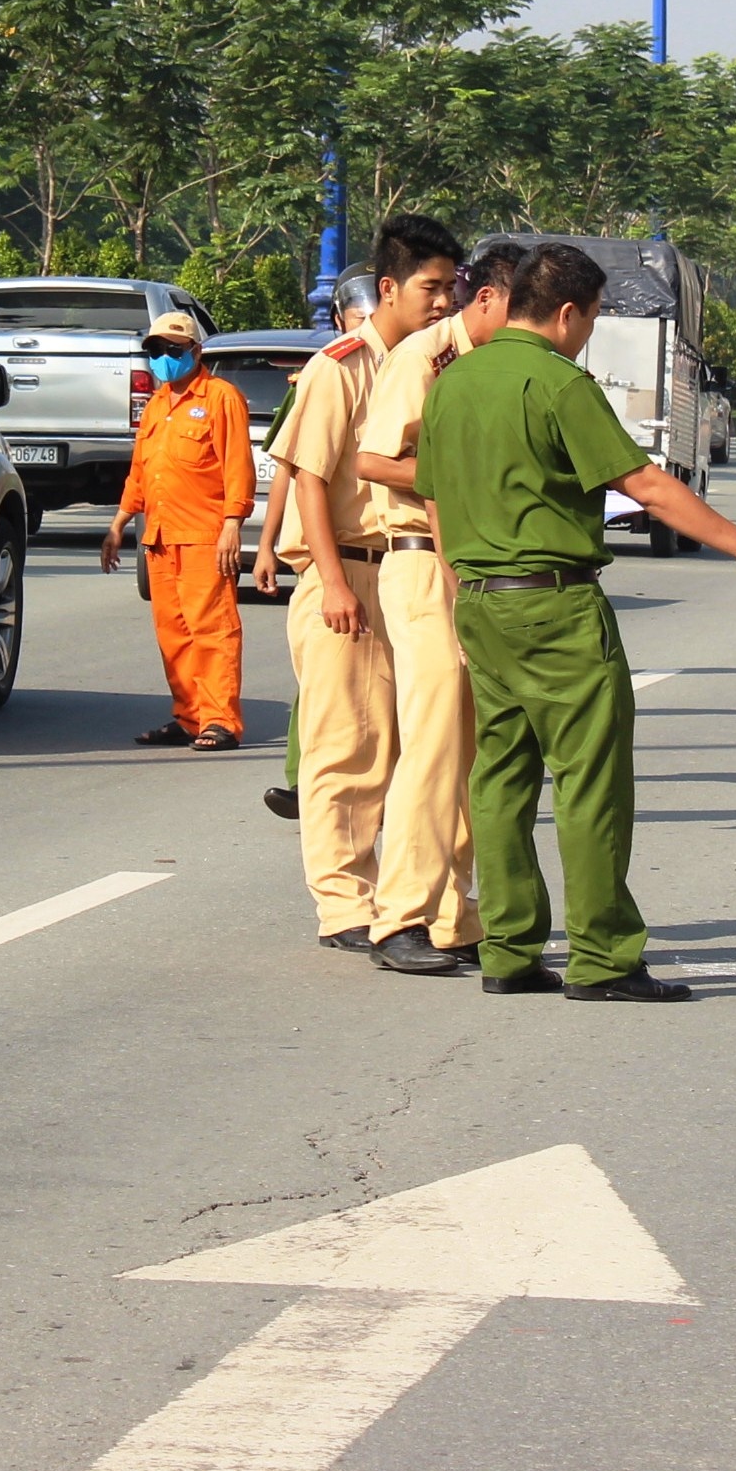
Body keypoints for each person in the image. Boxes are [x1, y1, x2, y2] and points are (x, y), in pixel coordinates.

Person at [416, 242, 736, 1003]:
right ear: (568, 312)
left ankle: (509, 949)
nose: (586, 335)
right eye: (590, 320)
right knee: (590, 780)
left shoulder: (453, 381)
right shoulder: (558, 383)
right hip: (555, 604)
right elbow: (645, 484)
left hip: (482, 600)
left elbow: (433, 496)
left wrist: (463, 586)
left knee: (500, 777)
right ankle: (602, 958)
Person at [344, 240, 531, 976]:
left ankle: (453, 914)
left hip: (478, 564)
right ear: (489, 299)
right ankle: (400, 917)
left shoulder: (495, 362)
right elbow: (372, 458)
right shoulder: (423, 357)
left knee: (468, 747)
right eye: (520, 310)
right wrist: (461, 475)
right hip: (423, 561)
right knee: (430, 746)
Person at [270, 228, 457, 950]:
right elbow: (309, 479)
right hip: (347, 568)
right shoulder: (341, 366)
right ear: (388, 288)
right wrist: (331, 582)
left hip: (409, 567)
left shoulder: (437, 364)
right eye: (429, 288)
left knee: (417, 744)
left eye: (451, 288)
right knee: (346, 744)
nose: (442, 302)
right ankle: (344, 904)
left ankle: (414, 902)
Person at [101, 312, 253, 750]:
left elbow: (237, 466)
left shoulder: (221, 398)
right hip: (161, 538)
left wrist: (232, 524)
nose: (164, 357)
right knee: (174, 634)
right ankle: (189, 716)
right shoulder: (156, 405)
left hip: (204, 536)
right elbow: (140, 471)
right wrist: (118, 523)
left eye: (173, 349)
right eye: (155, 350)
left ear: (196, 351)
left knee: (213, 630)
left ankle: (220, 721)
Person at [256, 273, 375, 821]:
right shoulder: (326, 373)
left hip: (393, 558)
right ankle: (305, 784)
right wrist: (267, 545)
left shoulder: (414, 370)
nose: (367, 327)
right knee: (322, 687)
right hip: (331, 560)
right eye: (358, 319)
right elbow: (295, 471)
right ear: (338, 319)